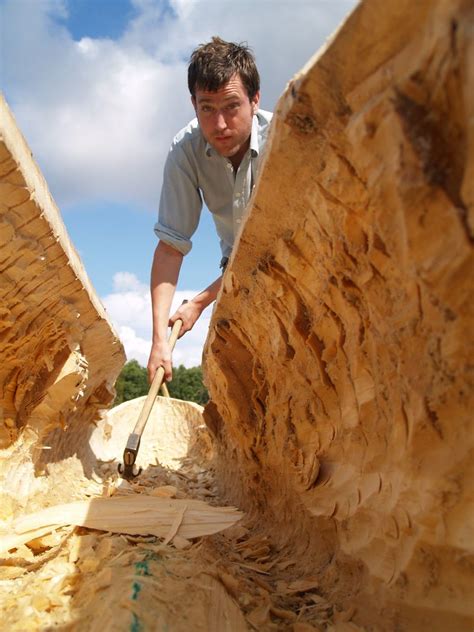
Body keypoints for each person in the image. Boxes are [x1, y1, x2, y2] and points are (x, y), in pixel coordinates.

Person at [147, 37, 272, 383]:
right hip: (234, 276)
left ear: (255, 99)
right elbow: (171, 246)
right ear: (193, 104)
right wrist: (160, 341)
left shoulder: (284, 138)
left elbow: (269, 251)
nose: (218, 125)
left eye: (231, 106)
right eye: (206, 108)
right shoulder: (185, 150)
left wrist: (199, 302)